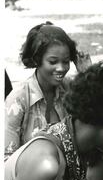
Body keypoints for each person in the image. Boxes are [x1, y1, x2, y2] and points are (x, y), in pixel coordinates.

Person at [5, 22, 91, 159]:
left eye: (66, 61)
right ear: (37, 60)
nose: (61, 68)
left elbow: (97, 119)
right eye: (53, 62)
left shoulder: (70, 88)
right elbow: (6, 157)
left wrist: (87, 74)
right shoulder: (18, 99)